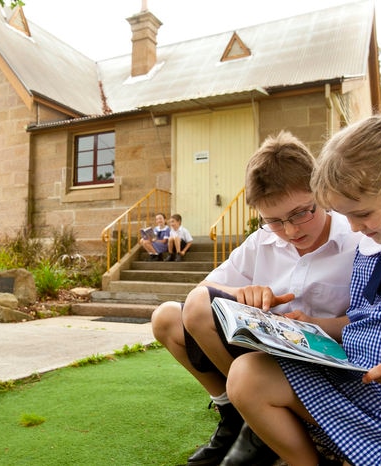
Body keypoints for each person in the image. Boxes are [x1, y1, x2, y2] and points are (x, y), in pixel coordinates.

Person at [226, 108, 381, 466]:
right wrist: (313, 326)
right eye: (344, 215)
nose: (354, 227)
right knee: (247, 374)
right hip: (361, 389)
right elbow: (362, 321)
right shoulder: (373, 244)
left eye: (361, 214)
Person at [151, 131, 362, 466]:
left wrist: (318, 325)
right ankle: (237, 417)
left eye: (300, 213)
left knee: (204, 316)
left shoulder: (357, 240)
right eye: (274, 220)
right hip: (261, 354)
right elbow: (201, 291)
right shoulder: (260, 242)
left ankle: (259, 417)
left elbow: (373, 321)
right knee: (169, 316)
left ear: (321, 192)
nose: (291, 230)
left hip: (321, 367)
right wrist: (243, 293)